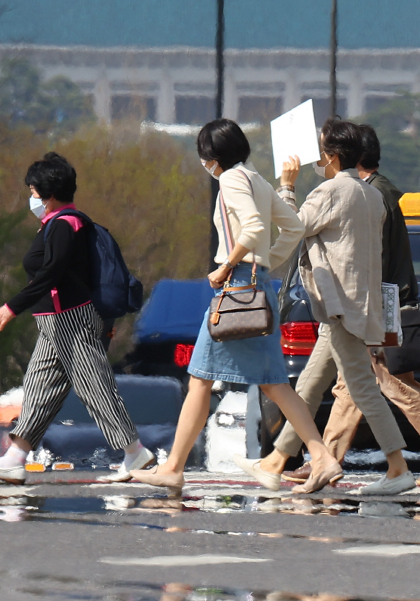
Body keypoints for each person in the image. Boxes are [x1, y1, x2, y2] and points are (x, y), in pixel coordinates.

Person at [130, 119, 343, 494]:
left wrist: (228, 265)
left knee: (200, 377)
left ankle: (174, 468)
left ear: (212, 155)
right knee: (274, 383)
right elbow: (291, 227)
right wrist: (266, 263)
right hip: (255, 287)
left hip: (235, 289)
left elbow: (255, 227)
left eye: (204, 156)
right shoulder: (257, 179)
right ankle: (321, 456)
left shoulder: (230, 180)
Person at [291, 124, 420, 488]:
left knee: (388, 383)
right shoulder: (378, 191)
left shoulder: (370, 194)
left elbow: (368, 258)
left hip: (380, 303)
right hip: (381, 300)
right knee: (354, 385)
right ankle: (327, 458)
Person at [253, 118, 416, 496]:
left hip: (340, 305)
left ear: (331, 156)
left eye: (321, 150)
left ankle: (398, 467)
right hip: (354, 304)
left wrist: (287, 186)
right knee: (309, 385)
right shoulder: (371, 195)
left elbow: (292, 227)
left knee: (361, 388)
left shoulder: (328, 192)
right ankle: (276, 460)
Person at [0, 152, 152, 483]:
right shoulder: (57, 224)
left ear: (49, 192)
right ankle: (15, 457)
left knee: (94, 387)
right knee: (39, 388)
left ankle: (134, 452)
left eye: (33, 192)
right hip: (53, 323)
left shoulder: (64, 224)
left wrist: (12, 306)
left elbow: (50, 274)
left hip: (70, 320)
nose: (32, 199)